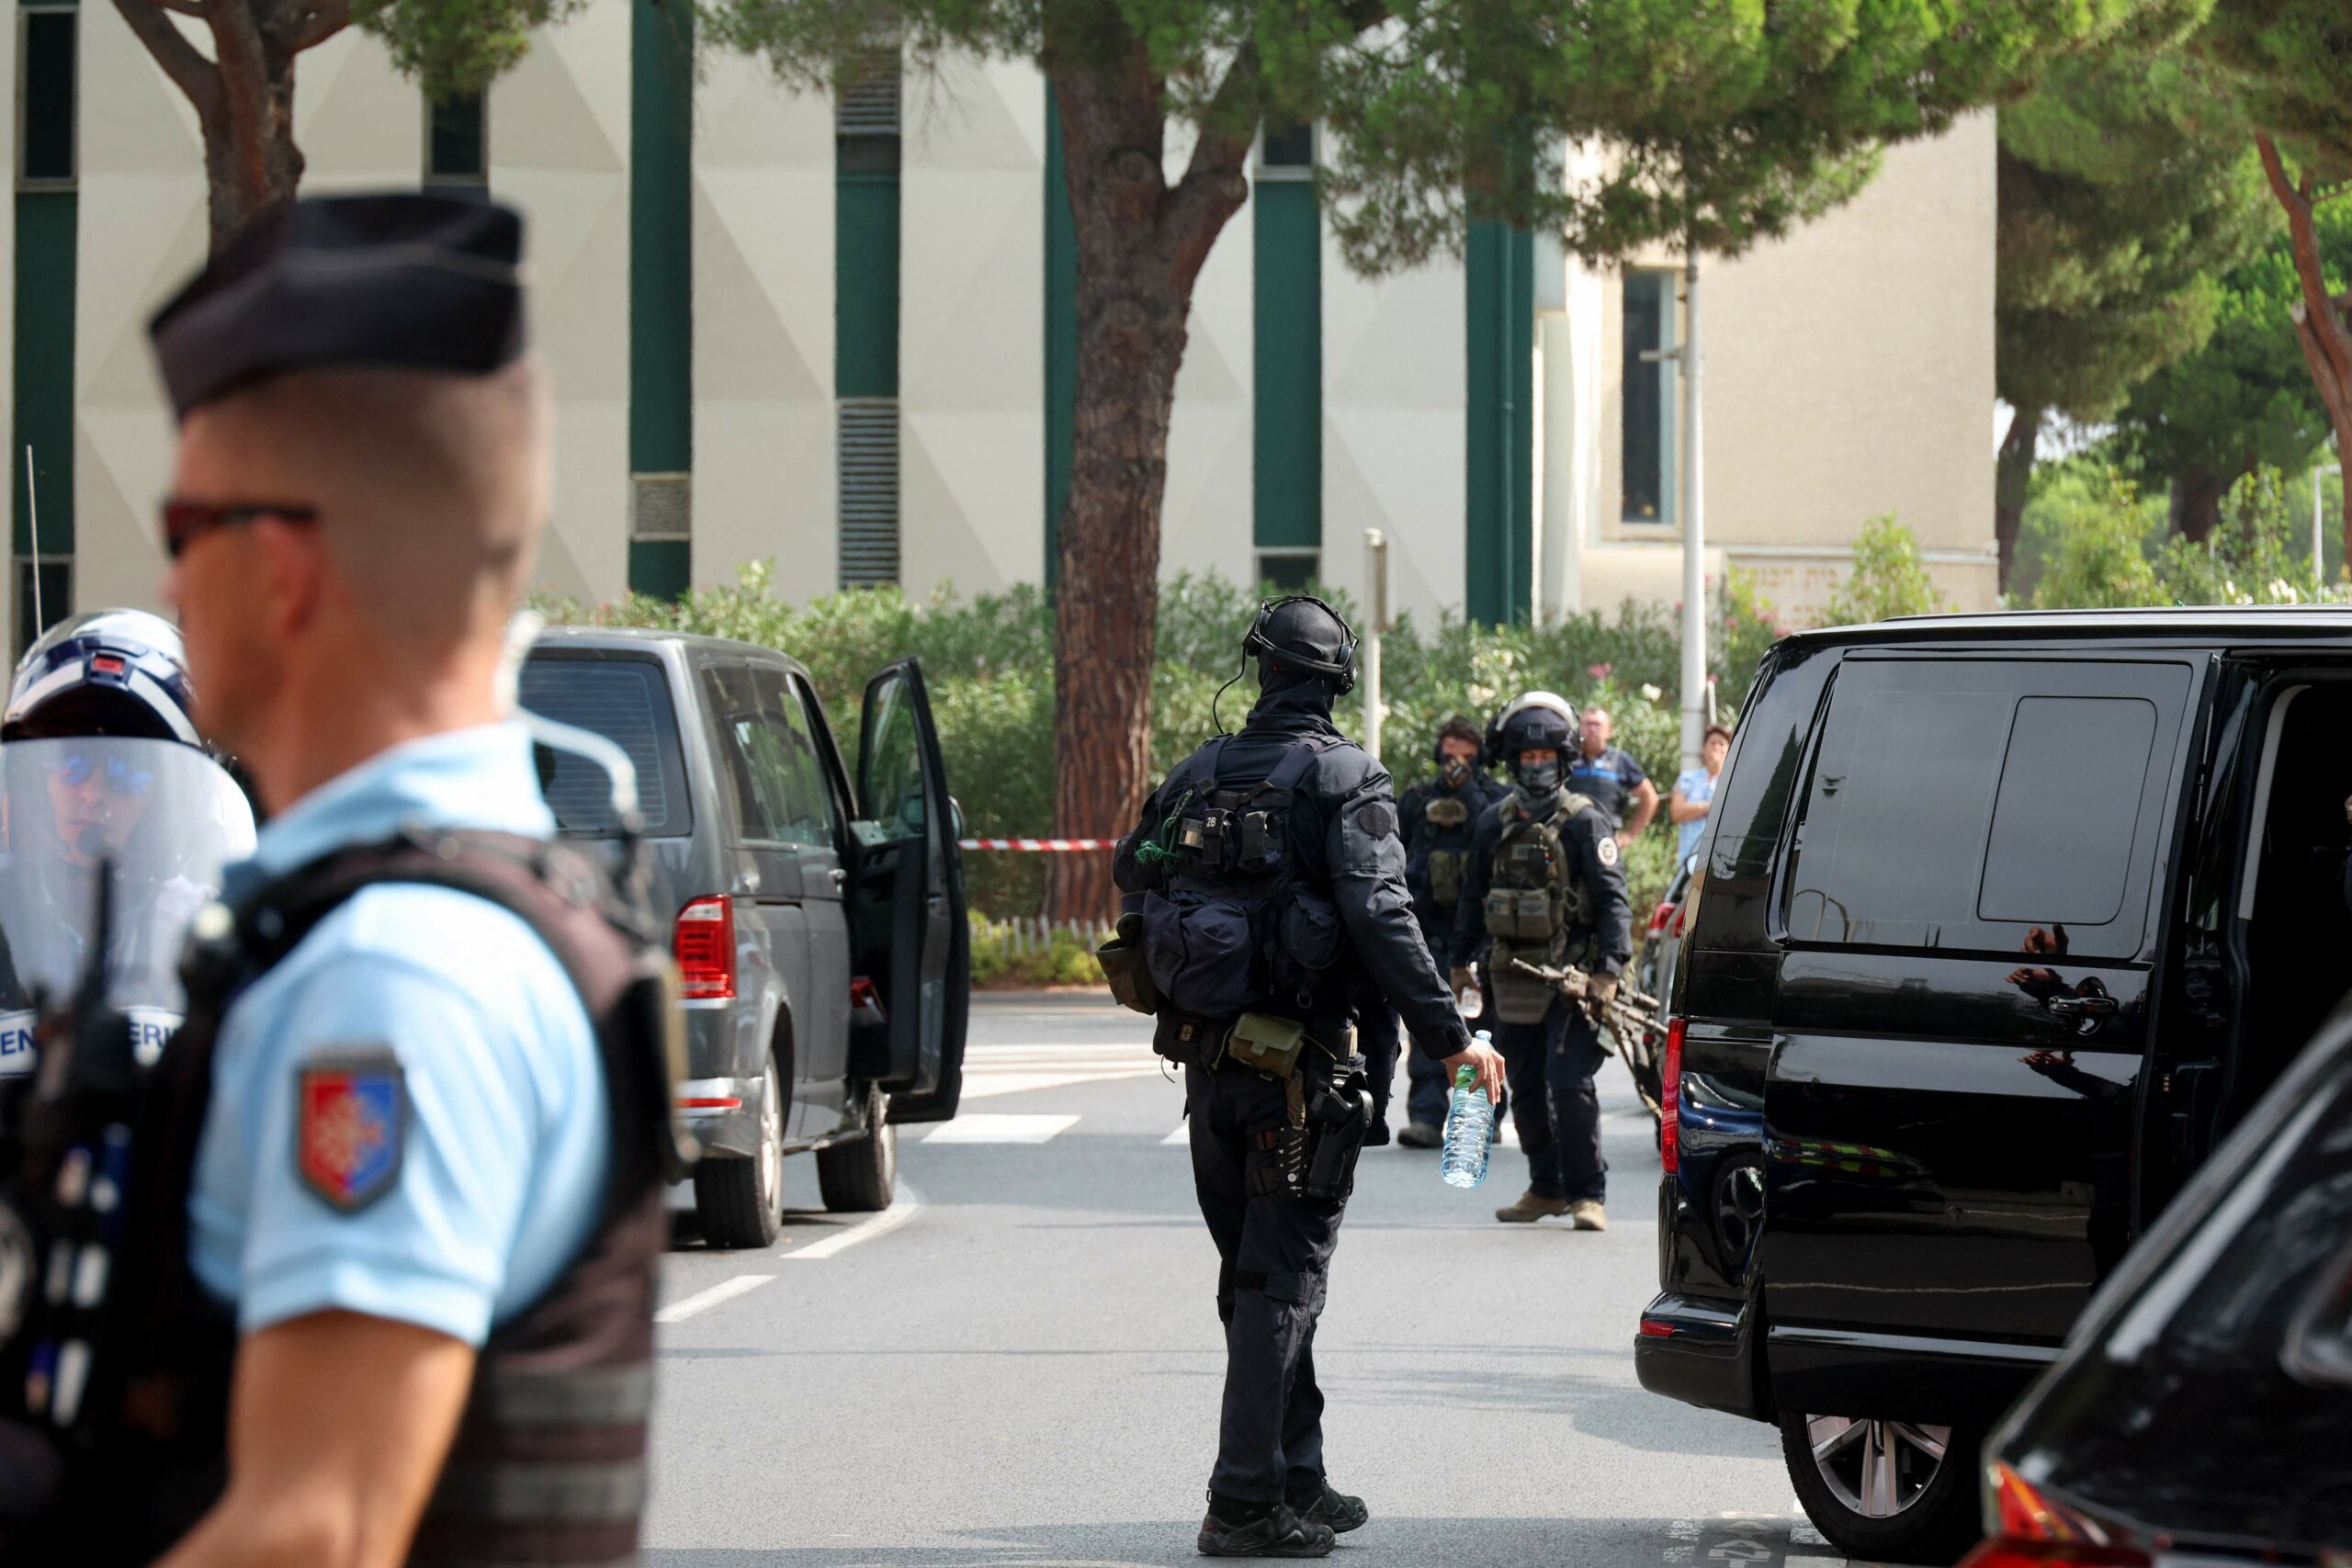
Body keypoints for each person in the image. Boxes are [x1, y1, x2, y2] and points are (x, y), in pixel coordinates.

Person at [6, 194, 675, 1568]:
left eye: (185, 524)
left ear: (284, 563)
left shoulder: (396, 974)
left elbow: (314, 1529)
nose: (162, 576)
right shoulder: (409, 918)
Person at [1114, 595, 1504, 1558]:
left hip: (1206, 1063)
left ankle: (1298, 1472)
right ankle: (1243, 1503)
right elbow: (1381, 913)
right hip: (1301, 1066)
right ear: (1335, 681)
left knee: (1255, 1276)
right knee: (1281, 1282)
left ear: (1258, 669)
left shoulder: (1196, 771)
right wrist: (1453, 1039)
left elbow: (1134, 874)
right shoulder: (1345, 776)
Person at [1452, 693, 1632, 1229]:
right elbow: (1471, 897)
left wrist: (1609, 972)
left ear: (1562, 760)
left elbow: (1613, 899)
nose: (1535, 768)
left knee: (1568, 1082)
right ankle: (1546, 1187)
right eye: (1526, 760)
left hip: (1574, 979)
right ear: (1513, 762)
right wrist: (1459, 963)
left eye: (1544, 759)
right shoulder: (1493, 822)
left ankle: (1587, 1194)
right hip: (1512, 978)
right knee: (1522, 1083)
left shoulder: (1585, 822)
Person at [1362, 715, 1509, 1149]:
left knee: (1482, 1026)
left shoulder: (1495, 801)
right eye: (1450, 752)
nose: (1456, 761)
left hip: (1476, 933)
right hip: (1426, 928)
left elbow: (1495, 837)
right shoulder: (1416, 800)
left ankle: (1486, 1116)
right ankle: (1425, 1116)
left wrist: (1468, 791)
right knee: (1428, 1021)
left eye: (1466, 753)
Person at [1567, 705, 1658, 846]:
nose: (1592, 729)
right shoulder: (1568, 758)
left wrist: (1630, 835)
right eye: (1587, 724)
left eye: (1597, 725)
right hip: (1568, 837)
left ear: (1609, 731)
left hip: (1605, 840)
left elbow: (1650, 797)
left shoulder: (1620, 760)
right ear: (1579, 728)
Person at [1669, 723, 1733, 863]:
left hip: (1721, 860)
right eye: (1713, 743)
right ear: (1703, 748)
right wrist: (1708, 807)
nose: (1716, 748)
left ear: (1728, 750)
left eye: (1721, 744)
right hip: (1690, 859)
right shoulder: (1687, 778)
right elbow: (1676, 812)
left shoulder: (1733, 782)